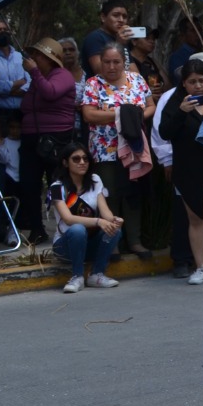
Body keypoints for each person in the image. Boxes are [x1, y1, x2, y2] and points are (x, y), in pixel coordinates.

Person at [80, 42, 155, 259]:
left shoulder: (136, 79)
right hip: (105, 150)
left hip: (134, 148)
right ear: (100, 63)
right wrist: (123, 115)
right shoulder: (93, 83)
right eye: (107, 62)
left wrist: (137, 117)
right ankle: (111, 243)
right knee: (109, 195)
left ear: (124, 63)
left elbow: (151, 105)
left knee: (132, 194)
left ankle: (135, 241)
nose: (111, 66)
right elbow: (89, 115)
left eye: (116, 62)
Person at [158, 59, 203, 284]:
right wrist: (181, 113)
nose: (198, 86)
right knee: (196, 218)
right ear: (184, 83)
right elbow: (164, 132)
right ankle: (200, 267)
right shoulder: (175, 102)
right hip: (189, 170)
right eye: (192, 82)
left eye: (202, 80)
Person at [17, 38, 76, 246]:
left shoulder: (63, 75)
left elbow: (50, 93)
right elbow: (26, 105)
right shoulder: (39, 78)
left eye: (38, 56)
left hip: (55, 140)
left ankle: (65, 226)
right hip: (31, 139)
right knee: (29, 184)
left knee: (57, 184)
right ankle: (37, 228)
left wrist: (34, 72)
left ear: (51, 59)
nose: (33, 59)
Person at [47, 142, 122, 294]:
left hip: (88, 244)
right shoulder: (57, 187)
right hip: (65, 246)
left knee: (115, 231)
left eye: (85, 159)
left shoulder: (95, 180)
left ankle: (97, 274)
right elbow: (68, 219)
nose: (82, 162)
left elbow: (105, 212)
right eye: (76, 159)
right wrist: (98, 221)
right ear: (65, 162)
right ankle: (77, 276)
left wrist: (114, 220)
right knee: (77, 230)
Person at [0, 15, 30, 123]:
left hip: (23, 113)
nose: (2, 32)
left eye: (5, 30)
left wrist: (7, 91)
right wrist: (20, 82)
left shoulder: (20, 56)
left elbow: (31, 83)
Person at [81, 0, 133, 76]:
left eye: (124, 17)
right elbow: (100, 72)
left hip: (125, 86)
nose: (121, 20)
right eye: (116, 15)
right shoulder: (95, 38)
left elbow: (135, 73)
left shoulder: (122, 39)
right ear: (103, 17)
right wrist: (118, 45)